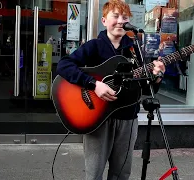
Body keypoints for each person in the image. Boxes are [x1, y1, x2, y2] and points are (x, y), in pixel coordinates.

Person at [56, 0, 165, 179]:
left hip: (127, 118)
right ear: (104, 20)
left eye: (125, 17)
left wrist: (157, 77)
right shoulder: (94, 46)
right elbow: (64, 65)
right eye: (116, 16)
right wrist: (94, 84)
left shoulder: (134, 49)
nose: (121, 21)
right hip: (97, 118)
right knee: (94, 173)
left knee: (122, 173)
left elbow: (145, 88)